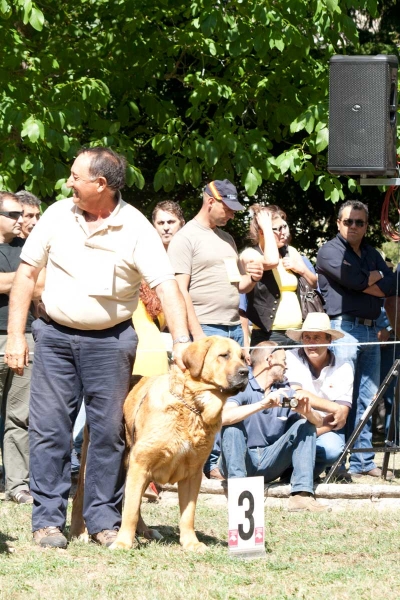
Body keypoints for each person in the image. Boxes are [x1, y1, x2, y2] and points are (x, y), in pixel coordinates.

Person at [5, 146, 190, 550]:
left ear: (101, 185)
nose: (68, 182)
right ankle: (47, 523)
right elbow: (26, 273)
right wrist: (17, 335)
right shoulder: (56, 214)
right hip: (53, 337)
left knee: (109, 434)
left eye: (76, 177)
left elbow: (166, 286)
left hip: (111, 342)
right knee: (50, 430)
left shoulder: (137, 228)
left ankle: (104, 521)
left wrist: (181, 343)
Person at [168, 179, 263, 480]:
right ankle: (203, 463)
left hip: (233, 329)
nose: (232, 215)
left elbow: (239, 287)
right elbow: (180, 291)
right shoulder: (185, 238)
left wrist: (254, 277)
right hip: (207, 330)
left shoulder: (227, 239)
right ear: (211, 201)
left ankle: (219, 463)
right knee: (205, 395)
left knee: (232, 394)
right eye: (228, 208)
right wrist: (197, 336)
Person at [316, 200, 397, 478]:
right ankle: (337, 460)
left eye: (359, 222)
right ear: (338, 223)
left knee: (368, 397)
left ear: (366, 226)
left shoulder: (372, 253)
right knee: (342, 397)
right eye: (348, 221)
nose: (353, 226)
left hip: (371, 328)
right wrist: (369, 279)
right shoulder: (329, 251)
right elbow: (354, 281)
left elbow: (390, 285)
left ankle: (364, 463)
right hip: (343, 329)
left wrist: (366, 280)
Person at [219, 341, 330, 512]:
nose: (286, 366)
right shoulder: (241, 386)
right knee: (232, 427)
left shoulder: (284, 391)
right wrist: (263, 404)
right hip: (241, 459)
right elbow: (224, 417)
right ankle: (238, 494)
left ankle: (301, 495)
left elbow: (319, 422)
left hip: (271, 461)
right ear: (270, 359)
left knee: (305, 425)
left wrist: (308, 413)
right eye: (284, 360)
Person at [0, 192, 43, 504]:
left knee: (21, 415)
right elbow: (30, 282)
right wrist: (25, 279)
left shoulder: (28, 249)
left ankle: (17, 485)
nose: (21, 220)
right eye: (14, 214)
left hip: (24, 336)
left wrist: (14, 280)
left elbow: (40, 285)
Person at [285, 313, 354, 478]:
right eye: (307, 337)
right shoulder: (290, 356)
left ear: (329, 340)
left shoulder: (344, 366)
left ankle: (299, 473)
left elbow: (340, 417)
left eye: (317, 337)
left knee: (333, 449)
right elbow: (295, 395)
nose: (311, 343)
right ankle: (292, 471)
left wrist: (312, 431)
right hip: (289, 426)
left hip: (322, 430)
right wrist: (332, 407)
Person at [240, 204, 317, 348]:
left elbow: (314, 282)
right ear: (262, 232)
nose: (284, 233)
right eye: (277, 229)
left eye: (285, 227)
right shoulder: (250, 254)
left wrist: (300, 269)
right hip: (268, 334)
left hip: (297, 333)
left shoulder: (291, 251)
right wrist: (267, 228)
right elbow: (271, 261)